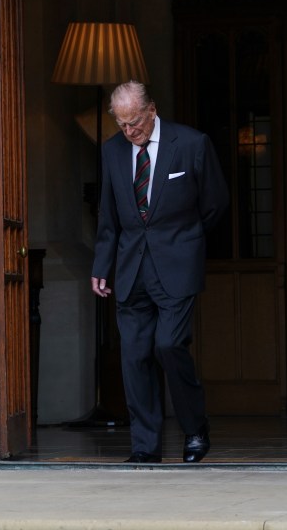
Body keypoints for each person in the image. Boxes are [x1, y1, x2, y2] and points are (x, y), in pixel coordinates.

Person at [90, 80, 229, 463]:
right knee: (134, 357)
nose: (130, 132)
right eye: (122, 126)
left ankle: (195, 430)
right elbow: (109, 214)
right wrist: (102, 265)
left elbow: (215, 203)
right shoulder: (112, 151)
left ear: (151, 111)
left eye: (135, 122)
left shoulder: (191, 144)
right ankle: (145, 447)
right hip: (130, 269)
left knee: (168, 345)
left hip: (177, 266)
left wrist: (187, 242)